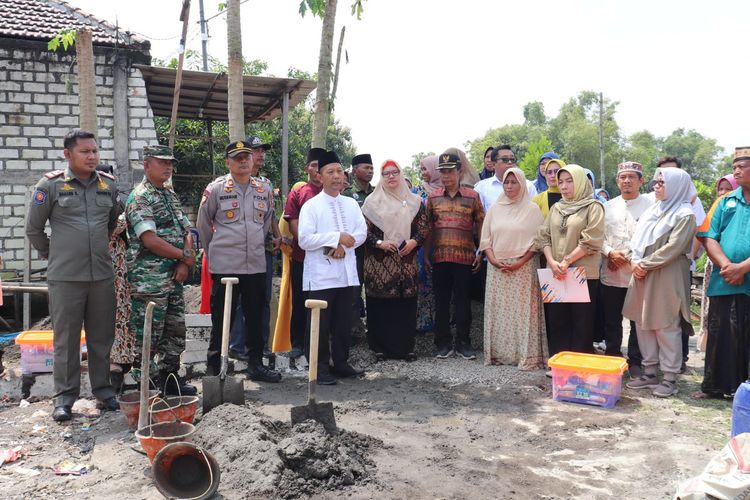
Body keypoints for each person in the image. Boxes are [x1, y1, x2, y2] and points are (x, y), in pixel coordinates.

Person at [26, 129, 120, 421]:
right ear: (68, 155)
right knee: (66, 340)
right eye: (85, 152)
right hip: (65, 277)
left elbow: (110, 225)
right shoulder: (50, 186)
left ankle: (103, 391)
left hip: (102, 275)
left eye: (95, 151)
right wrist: (54, 256)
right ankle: (64, 398)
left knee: (102, 337)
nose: (92, 156)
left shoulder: (108, 186)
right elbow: (34, 229)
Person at [196, 141, 281, 383]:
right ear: (228, 163)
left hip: (254, 263)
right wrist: (215, 250)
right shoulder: (216, 189)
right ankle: (214, 368)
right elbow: (204, 224)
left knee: (255, 317)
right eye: (238, 158)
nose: (244, 161)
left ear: (252, 160)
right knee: (222, 317)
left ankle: (256, 365)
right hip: (225, 265)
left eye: (247, 157)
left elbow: (265, 222)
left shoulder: (263, 189)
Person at [126, 145, 197, 396]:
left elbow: (186, 230)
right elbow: (149, 240)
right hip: (149, 279)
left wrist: (184, 263)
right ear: (146, 165)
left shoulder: (169, 194)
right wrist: (184, 256)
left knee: (175, 329)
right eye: (162, 162)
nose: (168, 167)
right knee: (149, 332)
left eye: (170, 163)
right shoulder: (140, 197)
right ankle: (145, 382)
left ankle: (170, 377)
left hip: (174, 275)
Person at [624, 168, 696, 397]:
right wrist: (634, 261)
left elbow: (674, 248)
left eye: (661, 182)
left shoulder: (685, 214)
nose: (656, 186)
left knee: (666, 324)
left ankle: (670, 377)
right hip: (642, 272)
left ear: (676, 185)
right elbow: (637, 241)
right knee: (642, 322)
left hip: (667, 273)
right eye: (655, 182)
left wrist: (643, 264)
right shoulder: (653, 210)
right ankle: (650, 372)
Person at [298, 150, 367, 384]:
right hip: (322, 275)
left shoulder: (350, 204)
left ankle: (341, 362)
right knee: (320, 323)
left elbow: (361, 233)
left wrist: (344, 246)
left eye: (339, 171)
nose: (337, 176)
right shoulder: (311, 205)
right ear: (320, 176)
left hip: (346, 273)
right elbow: (305, 239)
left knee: (343, 322)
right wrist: (335, 237)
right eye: (331, 172)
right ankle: (318, 368)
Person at [694, 148, 750, 399]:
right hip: (724, 280)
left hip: (746, 280)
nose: (737, 170)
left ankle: (744, 391)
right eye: (735, 166)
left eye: (743, 165)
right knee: (720, 335)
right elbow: (708, 235)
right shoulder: (724, 201)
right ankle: (715, 387)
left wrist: (743, 267)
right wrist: (727, 265)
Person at [361, 160, 429, 360]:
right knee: (380, 306)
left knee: (405, 305)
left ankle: (405, 348)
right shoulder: (371, 203)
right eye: (386, 173)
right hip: (378, 263)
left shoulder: (415, 202)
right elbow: (362, 231)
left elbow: (424, 228)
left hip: (405, 263)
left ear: (401, 174)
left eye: (394, 172)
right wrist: (379, 243)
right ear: (381, 178)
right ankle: (379, 348)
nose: (391, 176)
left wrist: (414, 242)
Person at [479, 168, 546, 369]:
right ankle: (499, 355)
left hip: (523, 268)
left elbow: (538, 242)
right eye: (506, 182)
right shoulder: (495, 209)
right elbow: (485, 239)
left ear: (522, 184)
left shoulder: (532, 210)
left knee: (523, 314)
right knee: (499, 312)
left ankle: (526, 356)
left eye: (514, 182)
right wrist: (492, 259)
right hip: (497, 268)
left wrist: (520, 261)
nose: (509, 186)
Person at [537, 164, 604, 356]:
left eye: (569, 181)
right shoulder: (557, 208)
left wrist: (566, 261)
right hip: (557, 273)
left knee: (581, 323)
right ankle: (559, 363)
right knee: (558, 321)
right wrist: (552, 262)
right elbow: (544, 236)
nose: (564, 186)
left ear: (581, 182)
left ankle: (578, 366)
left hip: (582, 273)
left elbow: (592, 240)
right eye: (560, 182)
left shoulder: (593, 207)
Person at [425, 148, 485, 360]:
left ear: (459, 172)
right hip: (440, 258)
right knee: (441, 303)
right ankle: (442, 343)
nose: (446, 176)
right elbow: (428, 229)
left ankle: (464, 343)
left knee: (462, 303)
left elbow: (481, 223)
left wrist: (480, 251)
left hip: (465, 259)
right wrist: (425, 255)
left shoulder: (472, 196)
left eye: (450, 171)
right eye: (442, 172)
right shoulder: (432, 198)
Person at [649, 156, 707, 371]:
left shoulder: (689, 206)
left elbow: (698, 234)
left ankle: (674, 366)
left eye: (667, 176)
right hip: (650, 269)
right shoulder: (653, 203)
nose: (660, 182)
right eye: (659, 176)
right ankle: (651, 367)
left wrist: (689, 259)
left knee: (672, 319)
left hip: (675, 267)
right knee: (649, 318)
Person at [599, 162, 653, 374]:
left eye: (632, 177)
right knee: (612, 319)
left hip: (637, 272)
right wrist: (610, 253)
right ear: (617, 181)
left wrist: (626, 256)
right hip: (611, 270)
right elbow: (598, 236)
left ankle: (636, 361)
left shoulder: (650, 207)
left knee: (637, 321)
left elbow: (650, 237)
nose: (627, 181)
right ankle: (612, 356)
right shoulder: (607, 206)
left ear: (641, 181)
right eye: (623, 177)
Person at [283, 147, 326, 359]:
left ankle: (320, 345)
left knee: (325, 303)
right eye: (314, 166)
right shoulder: (298, 193)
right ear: (306, 168)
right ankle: (298, 343)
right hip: (303, 257)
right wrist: (318, 244)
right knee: (301, 301)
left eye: (321, 166)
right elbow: (294, 228)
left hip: (329, 261)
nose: (318, 170)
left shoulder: (334, 193)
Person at [696, 173, 740, 353]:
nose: (722, 193)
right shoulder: (718, 208)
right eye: (720, 189)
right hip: (718, 269)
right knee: (716, 312)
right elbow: (707, 236)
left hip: (743, 270)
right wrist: (725, 265)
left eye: (728, 189)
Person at [100, 164, 133, 393]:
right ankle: (112, 367)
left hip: (120, 271)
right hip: (101, 269)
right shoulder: (94, 204)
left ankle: (121, 364)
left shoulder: (118, 202)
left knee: (122, 315)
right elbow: (115, 226)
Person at [343, 153, 375, 337]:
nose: (370, 171)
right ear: (355, 171)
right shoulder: (347, 194)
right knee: (354, 291)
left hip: (375, 250)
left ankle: (374, 328)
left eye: (372, 168)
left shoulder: (378, 192)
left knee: (375, 290)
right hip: (354, 250)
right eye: (366, 168)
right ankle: (354, 330)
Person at [412, 155, 441, 334]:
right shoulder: (416, 191)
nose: (423, 173)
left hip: (444, 242)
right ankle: (422, 323)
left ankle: (441, 322)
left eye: (426, 168)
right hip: (422, 244)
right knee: (423, 280)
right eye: (421, 169)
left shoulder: (449, 190)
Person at [474, 145, 537, 212]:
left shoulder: (528, 186)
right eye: (505, 160)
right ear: (494, 164)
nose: (510, 162)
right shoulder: (482, 188)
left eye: (512, 160)